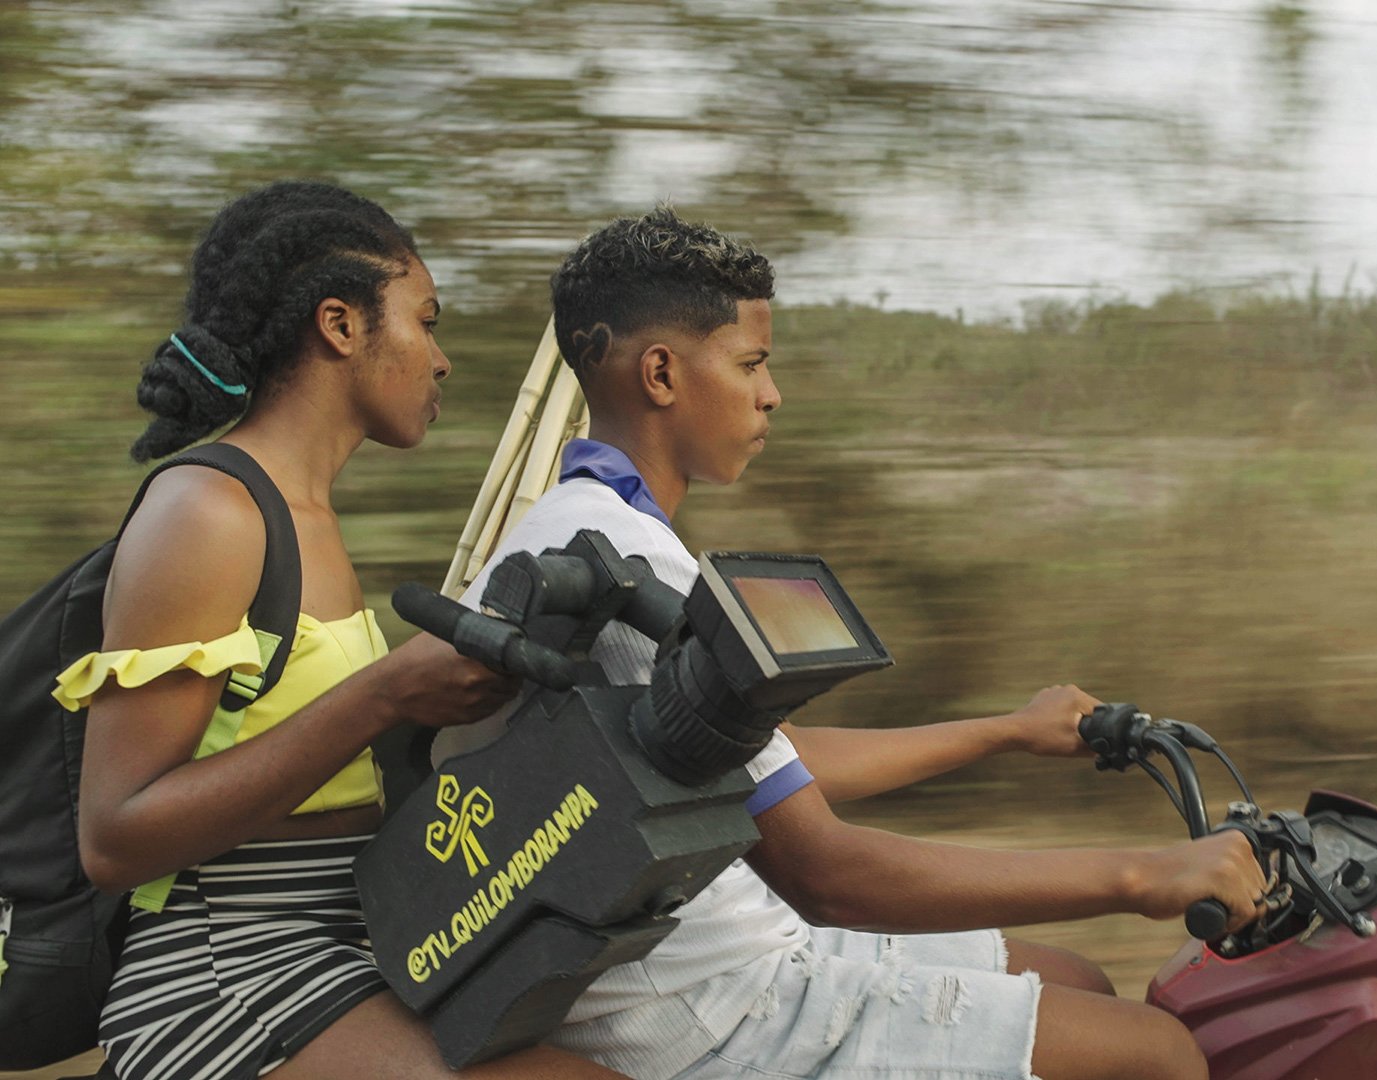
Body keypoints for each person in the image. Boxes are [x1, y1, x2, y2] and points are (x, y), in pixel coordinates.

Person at [436, 208, 1266, 1080]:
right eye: (752, 363)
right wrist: (1141, 878)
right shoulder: (627, 574)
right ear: (661, 373)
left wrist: (1008, 731)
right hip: (704, 1005)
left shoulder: (589, 530)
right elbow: (829, 874)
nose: (771, 393)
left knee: (1083, 979)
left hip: (731, 951)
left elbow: (765, 764)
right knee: (1159, 1055)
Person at [64, 181, 629, 1080]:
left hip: (354, 943)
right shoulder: (209, 512)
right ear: (340, 324)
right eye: (426, 320)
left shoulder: (308, 517)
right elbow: (115, 836)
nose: (442, 359)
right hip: (228, 977)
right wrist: (386, 692)